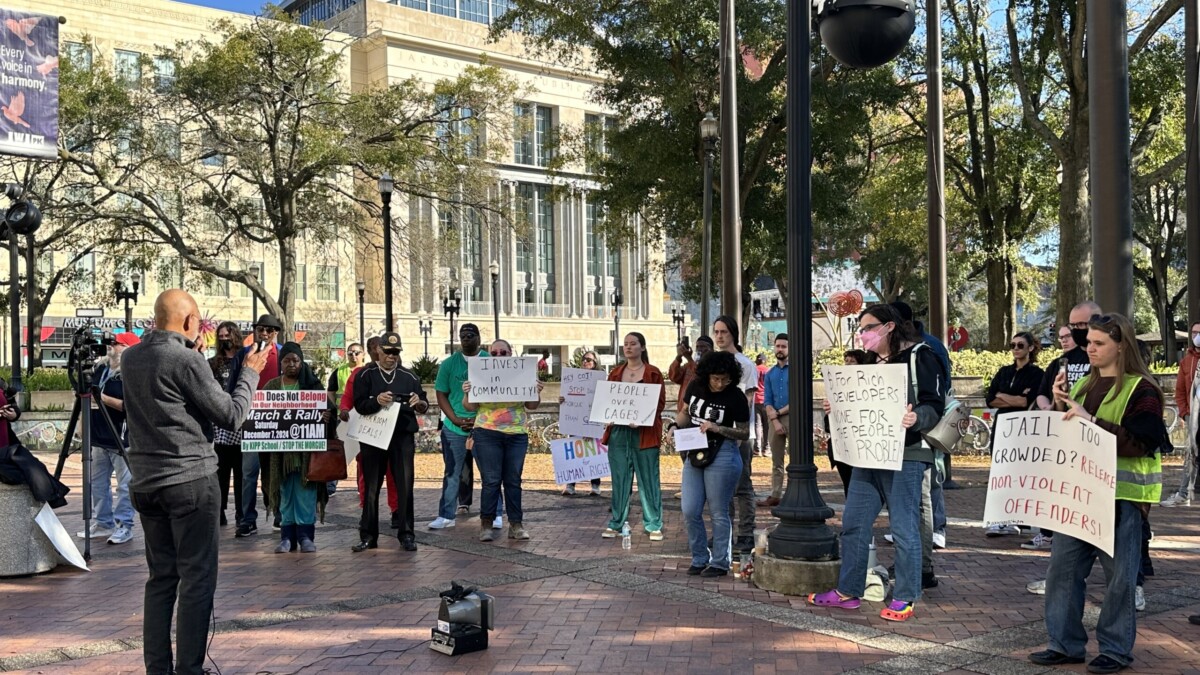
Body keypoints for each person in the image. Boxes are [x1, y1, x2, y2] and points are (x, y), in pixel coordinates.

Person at [122, 289, 267, 675]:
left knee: (161, 579)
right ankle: (188, 669)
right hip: (189, 480)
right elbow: (231, 415)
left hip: (147, 482)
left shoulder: (130, 356)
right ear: (189, 322)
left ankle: (158, 668)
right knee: (197, 579)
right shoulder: (186, 360)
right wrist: (250, 371)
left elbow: (168, 396)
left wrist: (193, 352)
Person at [1029, 313, 1167, 674]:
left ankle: (1116, 649)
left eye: (1098, 343)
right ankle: (1064, 643)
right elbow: (1069, 435)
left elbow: (1143, 442)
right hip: (1079, 496)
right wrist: (1060, 404)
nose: (1089, 348)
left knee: (1120, 578)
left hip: (1121, 499)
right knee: (1063, 570)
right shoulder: (1083, 386)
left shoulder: (1143, 389)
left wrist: (1091, 422)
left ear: (1121, 345)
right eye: (1088, 341)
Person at [809, 304, 945, 622]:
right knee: (854, 522)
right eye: (861, 328)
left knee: (903, 526)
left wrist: (916, 417)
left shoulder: (920, 356)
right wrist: (836, 406)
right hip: (868, 453)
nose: (863, 333)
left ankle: (906, 595)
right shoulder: (870, 361)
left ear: (889, 327)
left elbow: (933, 404)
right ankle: (848, 591)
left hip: (907, 454)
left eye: (868, 327)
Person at [1023, 301, 1102, 553]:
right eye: (1073, 326)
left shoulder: (1104, 360)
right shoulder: (1061, 362)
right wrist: (1050, 406)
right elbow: (1043, 393)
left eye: (1082, 325)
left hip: (1096, 440)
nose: (1077, 332)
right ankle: (1053, 536)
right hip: (1064, 438)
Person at [351, 332, 429, 552]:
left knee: (405, 485)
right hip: (374, 436)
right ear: (378, 350)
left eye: (396, 352)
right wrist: (375, 401)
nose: (392, 356)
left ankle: (406, 534)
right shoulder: (366, 374)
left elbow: (423, 402)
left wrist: (419, 403)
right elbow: (359, 405)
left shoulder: (409, 376)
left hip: (401, 436)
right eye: (388, 351)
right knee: (372, 487)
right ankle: (368, 535)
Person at [676, 351, 750, 577]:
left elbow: (745, 432)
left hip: (723, 451)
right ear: (707, 375)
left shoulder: (735, 396)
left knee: (719, 510)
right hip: (695, 449)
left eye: (725, 379)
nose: (719, 383)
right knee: (689, 508)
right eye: (716, 378)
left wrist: (718, 428)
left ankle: (720, 561)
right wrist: (673, 427)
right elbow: (684, 414)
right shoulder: (696, 386)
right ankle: (699, 557)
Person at [462, 338, 543, 542]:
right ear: (489, 356)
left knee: (513, 480)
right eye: (494, 353)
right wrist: (467, 393)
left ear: (510, 353)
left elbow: (532, 406)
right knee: (491, 480)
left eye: (503, 353)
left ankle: (516, 524)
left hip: (516, 433)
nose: (499, 356)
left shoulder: (521, 372)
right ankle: (486, 524)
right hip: (487, 431)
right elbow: (470, 407)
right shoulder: (481, 373)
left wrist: (536, 390)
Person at [264, 342, 331, 554]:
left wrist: (327, 416)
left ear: (302, 363)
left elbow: (329, 412)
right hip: (280, 455)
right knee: (285, 494)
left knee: (305, 494)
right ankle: (287, 538)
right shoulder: (272, 387)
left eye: (296, 360)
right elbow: (261, 417)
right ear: (280, 363)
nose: (292, 364)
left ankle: (305, 536)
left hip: (306, 455)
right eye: (287, 360)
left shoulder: (312, 387)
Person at [599, 332, 667, 541]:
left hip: (645, 433)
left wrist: (643, 417)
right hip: (619, 432)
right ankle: (616, 522)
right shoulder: (615, 373)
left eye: (633, 344)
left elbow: (659, 403)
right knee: (620, 478)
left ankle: (653, 523)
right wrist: (607, 416)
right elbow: (608, 400)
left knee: (648, 479)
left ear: (642, 347)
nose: (628, 347)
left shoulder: (653, 373)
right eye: (626, 344)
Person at [75, 331, 139, 545]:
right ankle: (103, 522)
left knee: (124, 485)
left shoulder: (132, 373)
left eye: (117, 343)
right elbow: (86, 397)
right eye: (110, 343)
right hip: (98, 436)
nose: (111, 346)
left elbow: (130, 407)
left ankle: (124, 525)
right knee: (97, 483)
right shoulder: (101, 368)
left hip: (120, 438)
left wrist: (102, 398)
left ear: (128, 349)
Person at [233, 314, 283, 538]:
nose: (264, 333)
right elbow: (233, 385)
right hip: (251, 422)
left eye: (269, 330)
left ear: (276, 333)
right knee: (248, 472)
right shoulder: (244, 354)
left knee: (276, 471)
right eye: (260, 329)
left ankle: (280, 514)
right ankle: (247, 519)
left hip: (277, 422)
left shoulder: (283, 354)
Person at [712, 316, 757, 552]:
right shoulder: (711, 362)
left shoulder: (745, 365)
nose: (720, 336)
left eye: (724, 332)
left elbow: (748, 400)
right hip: (716, 433)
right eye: (716, 332)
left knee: (742, 485)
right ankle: (724, 532)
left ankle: (747, 532)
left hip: (740, 433)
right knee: (721, 487)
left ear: (733, 334)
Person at [429, 323, 482, 528]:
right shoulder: (449, 364)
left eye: (470, 335)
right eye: (462, 336)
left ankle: (494, 514)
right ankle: (446, 515)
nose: (466, 339)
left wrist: (480, 419)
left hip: (484, 426)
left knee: (490, 474)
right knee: (452, 472)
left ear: (478, 337)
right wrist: (454, 419)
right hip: (454, 428)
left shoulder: (488, 361)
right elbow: (441, 393)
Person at [209, 321, 243, 528]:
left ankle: (242, 513)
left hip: (241, 421)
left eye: (228, 336)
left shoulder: (244, 359)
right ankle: (220, 511)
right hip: (220, 424)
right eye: (221, 337)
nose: (225, 340)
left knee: (242, 474)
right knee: (221, 472)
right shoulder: (213, 363)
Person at [1163, 320, 1200, 507]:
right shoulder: (1187, 362)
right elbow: (1179, 391)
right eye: (1194, 333)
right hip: (1193, 415)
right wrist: (1185, 413)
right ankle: (1184, 492)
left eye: (1199, 333)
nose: (1196, 337)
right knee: (1190, 454)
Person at [559, 349, 603, 497]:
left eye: (589, 360)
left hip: (592, 421)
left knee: (593, 454)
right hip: (575, 422)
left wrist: (593, 427)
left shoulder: (601, 380)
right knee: (574, 453)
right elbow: (568, 398)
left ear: (596, 363)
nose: (585, 362)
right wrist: (562, 400)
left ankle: (595, 485)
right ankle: (570, 484)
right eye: (584, 359)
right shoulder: (574, 379)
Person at [325, 342, 365, 496]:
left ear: (363, 354)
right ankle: (330, 487)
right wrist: (334, 408)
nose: (353, 355)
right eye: (350, 353)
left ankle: (361, 487)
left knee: (362, 455)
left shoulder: (368, 370)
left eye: (357, 352)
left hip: (362, 417)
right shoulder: (339, 371)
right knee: (339, 453)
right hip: (344, 418)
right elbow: (331, 392)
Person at [757, 334, 789, 507]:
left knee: (797, 460)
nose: (780, 349)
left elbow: (798, 398)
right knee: (777, 460)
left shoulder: (796, 370)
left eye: (783, 346)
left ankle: (794, 493)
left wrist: (777, 413)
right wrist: (774, 418)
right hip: (774, 418)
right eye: (777, 346)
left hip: (792, 416)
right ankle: (776, 493)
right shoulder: (770, 374)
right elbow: (767, 399)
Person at [669, 336, 713, 413]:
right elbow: (674, 377)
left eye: (703, 346)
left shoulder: (714, 366)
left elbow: (700, 377)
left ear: (711, 349)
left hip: (699, 412)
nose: (699, 349)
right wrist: (678, 357)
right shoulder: (689, 365)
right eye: (697, 347)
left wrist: (689, 359)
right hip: (684, 411)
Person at [753, 354, 769, 458]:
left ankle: (757, 449)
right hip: (766, 400)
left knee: (757, 425)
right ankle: (766, 449)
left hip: (756, 399)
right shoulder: (768, 371)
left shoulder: (754, 370)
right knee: (767, 426)